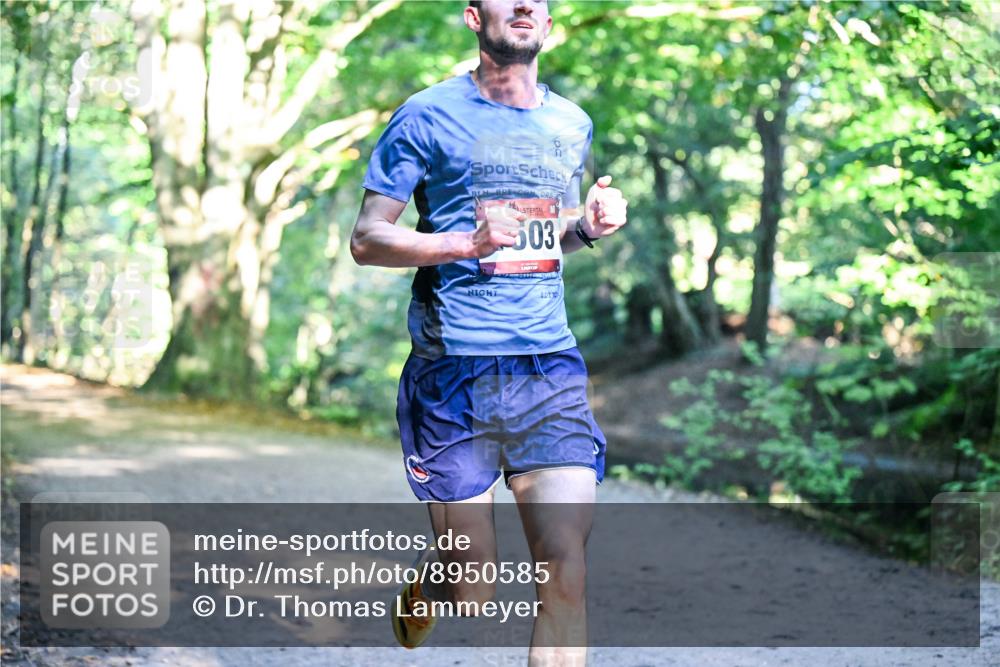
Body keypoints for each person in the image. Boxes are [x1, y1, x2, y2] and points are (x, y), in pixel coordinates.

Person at [351, 1, 627, 664]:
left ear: (549, 24)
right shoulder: (426, 115)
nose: (526, 3)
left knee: (565, 569)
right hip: (454, 372)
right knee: (472, 587)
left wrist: (585, 226)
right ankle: (433, 584)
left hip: (547, 368)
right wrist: (462, 243)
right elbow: (367, 238)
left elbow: (544, 233)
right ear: (475, 17)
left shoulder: (571, 123)